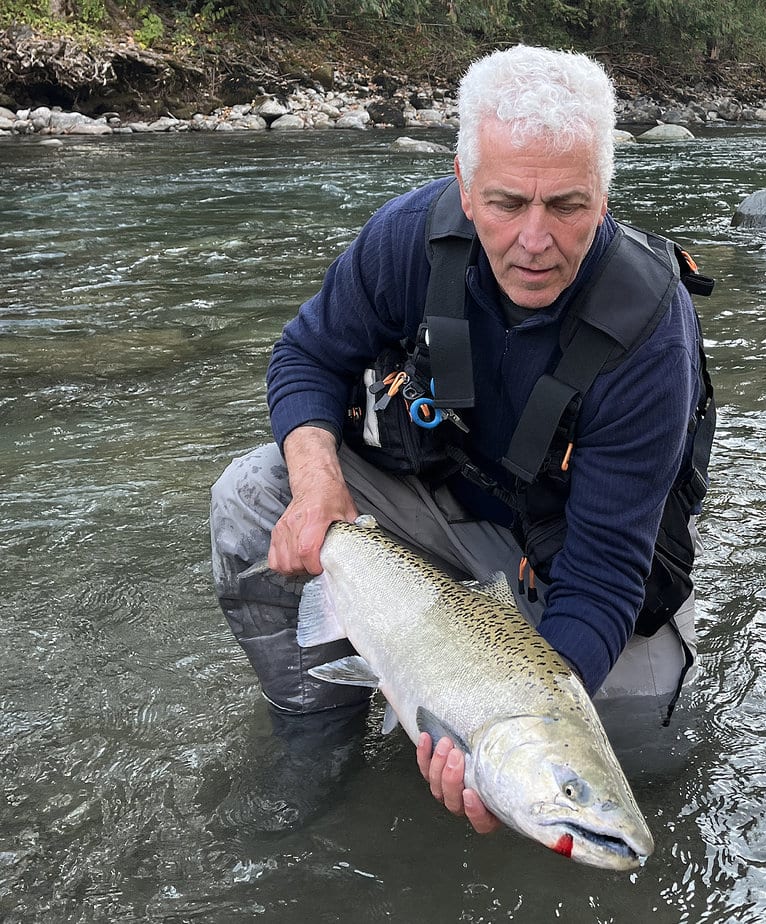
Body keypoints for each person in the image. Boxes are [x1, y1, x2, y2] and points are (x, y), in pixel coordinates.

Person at [209, 44, 714, 834]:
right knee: (252, 494)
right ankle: (318, 735)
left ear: (606, 194)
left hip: (573, 556)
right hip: (438, 514)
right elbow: (307, 354)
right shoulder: (408, 238)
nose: (535, 241)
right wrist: (317, 483)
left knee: (640, 754)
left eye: (569, 206)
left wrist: (507, 730)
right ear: (464, 185)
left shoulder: (649, 329)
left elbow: (608, 571)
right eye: (509, 203)